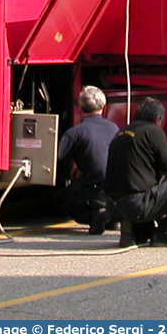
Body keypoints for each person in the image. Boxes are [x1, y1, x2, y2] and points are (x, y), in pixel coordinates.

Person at [103, 97, 167, 247]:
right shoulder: (154, 131)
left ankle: (136, 232)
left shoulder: (121, 133)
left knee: (156, 185)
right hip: (138, 205)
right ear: (158, 119)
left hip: (114, 207)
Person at [55, 86, 120, 234]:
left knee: (62, 198)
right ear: (103, 107)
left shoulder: (75, 133)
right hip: (115, 186)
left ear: (80, 107)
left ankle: (95, 216)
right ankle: (112, 217)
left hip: (92, 185)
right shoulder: (114, 127)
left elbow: (59, 156)